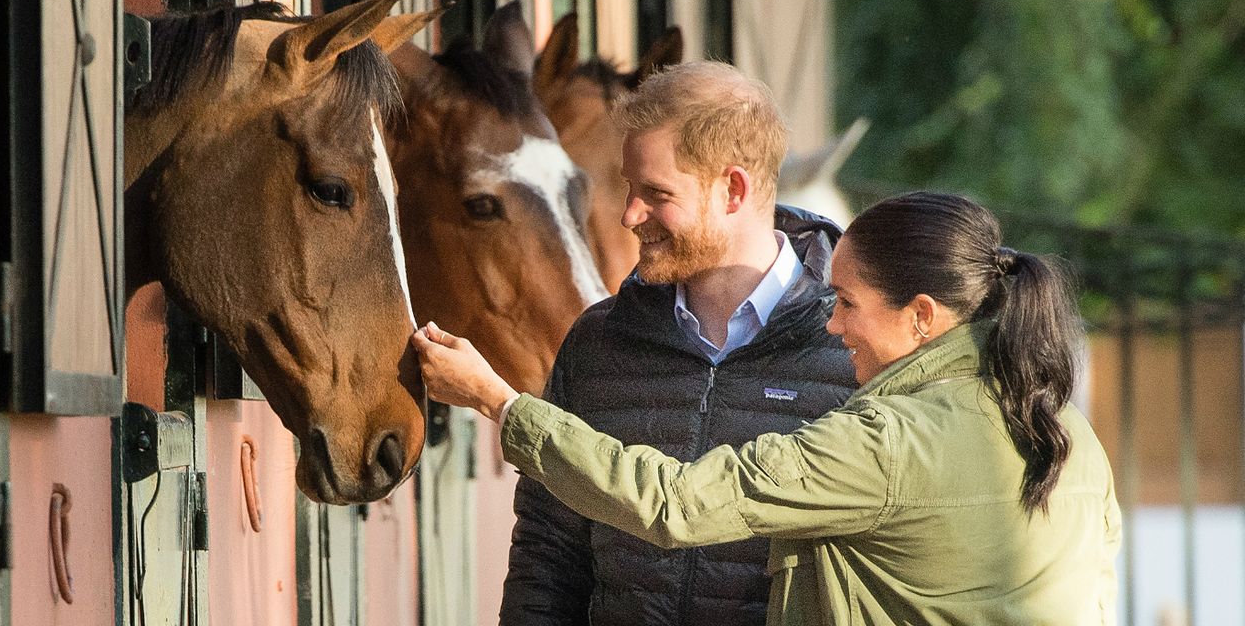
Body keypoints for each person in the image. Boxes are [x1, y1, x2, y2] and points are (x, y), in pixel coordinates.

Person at [413, 191, 1122, 625]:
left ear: (922, 317)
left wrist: (498, 401)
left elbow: (678, 503)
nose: (833, 325)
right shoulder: (1068, 433)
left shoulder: (889, 443)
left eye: (848, 304)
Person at [487, 61, 857, 625]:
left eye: (655, 194)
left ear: (733, 189)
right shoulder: (598, 342)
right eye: (628, 189)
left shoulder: (851, 353)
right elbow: (548, 553)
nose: (629, 215)